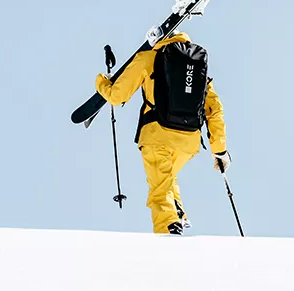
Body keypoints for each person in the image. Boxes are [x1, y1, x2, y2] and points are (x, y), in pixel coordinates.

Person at [95, 30, 230, 235]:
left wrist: (102, 81)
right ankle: (177, 211)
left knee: (159, 189)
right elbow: (215, 110)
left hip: (157, 135)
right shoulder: (198, 67)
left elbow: (116, 96)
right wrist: (219, 151)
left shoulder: (147, 58)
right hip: (189, 142)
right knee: (167, 177)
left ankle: (168, 229)